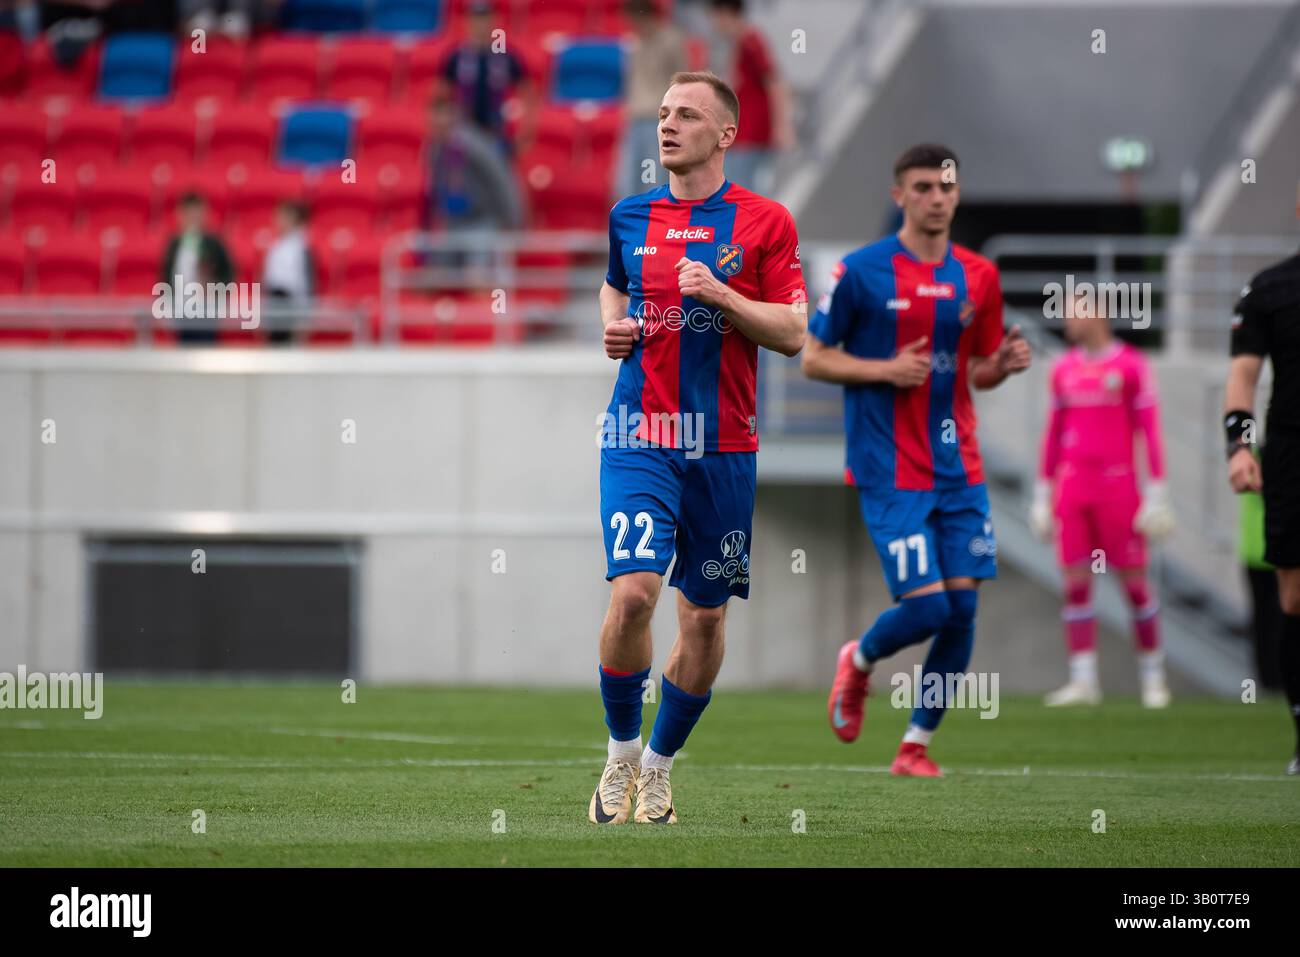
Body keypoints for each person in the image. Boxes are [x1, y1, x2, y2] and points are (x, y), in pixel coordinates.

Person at [591, 70, 806, 824]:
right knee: (634, 593)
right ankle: (619, 757)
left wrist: (721, 294)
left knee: (706, 619)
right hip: (639, 433)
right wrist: (612, 327)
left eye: (687, 114)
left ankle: (659, 767)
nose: (668, 123)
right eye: (662, 112)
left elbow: (792, 332)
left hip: (725, 445)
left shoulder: (766, 222)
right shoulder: (630, 213)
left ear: (726, 134)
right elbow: (615, 288)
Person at [802, 144, 1031, 776]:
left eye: (946, 187)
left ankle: (915, 746)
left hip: (960, 467)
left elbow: (978, 371)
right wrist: (883, 369)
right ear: (899, 194)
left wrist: (1002, 368)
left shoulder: (979, 276)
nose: (936, 197)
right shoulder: (861, 272)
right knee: (928, 607)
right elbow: (814, 357)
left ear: (958, 195)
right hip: (888, 466)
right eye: (923, 187)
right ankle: (861, 661)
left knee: (961, 611)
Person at [1029, 294, 1175, 708]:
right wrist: (1043, 493)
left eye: (1076, 311)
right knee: (1076, 582)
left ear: (1098, 314)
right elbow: (1053, 434)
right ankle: (1083, 680)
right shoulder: (1063, 369)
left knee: (1134, 584)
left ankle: (1153, 678)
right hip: (1074, 490)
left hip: (1118, 489)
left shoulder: (1130, 366)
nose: (1069, 320)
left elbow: (1149, 430)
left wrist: (1157, 491)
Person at [1224, 185, 1300, 774]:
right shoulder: (1269, 289)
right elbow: (1243, 377)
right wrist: (1239, 447)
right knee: (1294, 597)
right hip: (1291, 457)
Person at [707, 0, 791, 194]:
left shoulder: (751, 41)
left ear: (726, 12)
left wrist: (781, 126)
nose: (713, 23)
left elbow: (775, 82)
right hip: (740, 135)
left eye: (714, 16)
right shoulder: (737, 42)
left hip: (751, 135)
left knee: (743, 196)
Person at [440, 0, 536, 154]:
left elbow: (528, 95)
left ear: (494, 20)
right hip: (465, 134)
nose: (480, 24)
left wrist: (523, 135)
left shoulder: (506, 57)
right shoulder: (457, 57)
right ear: (467, 21)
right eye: (476, 19)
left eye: (484, 18)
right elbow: (441, 97)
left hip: (496, 134)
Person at [617, 0, 687, 199]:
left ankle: (655, 223)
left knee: (653, 177)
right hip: (634, 117)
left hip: (658, 118)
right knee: (627, 179)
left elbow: (681, 80)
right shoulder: (632, 43)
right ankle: (632, 224)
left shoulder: (672, 40)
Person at [159, 191, 234, 345]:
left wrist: (214, 288)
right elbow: (166, 274)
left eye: (197, 212)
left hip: (206, 308)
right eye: (189, 213)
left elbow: (228, 274)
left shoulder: (213, 243)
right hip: (181, 307)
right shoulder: (174, 244)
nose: (193, 217)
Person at [261, 199, 314, 345]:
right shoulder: (276, 247)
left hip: (292, 305)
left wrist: (303, 316)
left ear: (293, 219)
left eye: (283, 216)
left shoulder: (301, 248)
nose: (278, 220)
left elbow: (304, 283)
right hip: (275, 303)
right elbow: (269, 280)